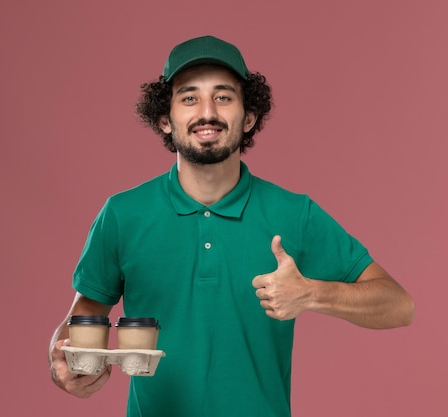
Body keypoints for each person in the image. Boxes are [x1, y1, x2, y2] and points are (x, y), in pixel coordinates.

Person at [49, 35, 414, 417]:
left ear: (249, 117)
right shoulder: (123, 214)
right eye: (189, 98)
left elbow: (399, 305)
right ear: (165, 120)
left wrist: (311, 294)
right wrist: (60, 361)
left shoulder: (293, 213)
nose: (207, 112)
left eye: (223, 97)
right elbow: (82, 314)